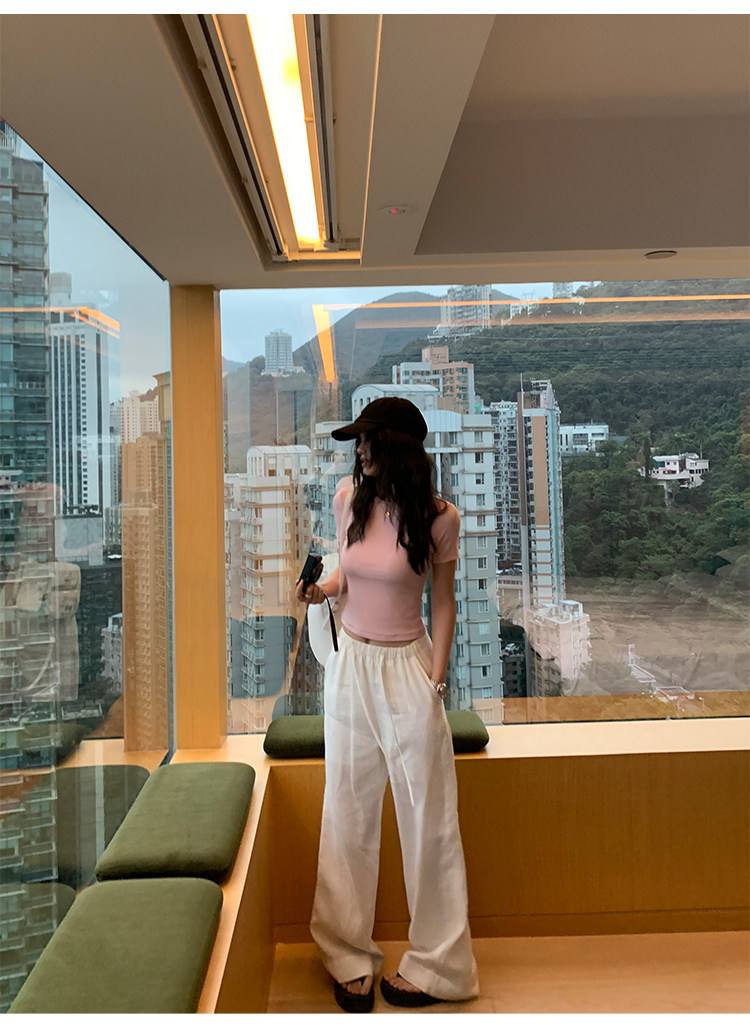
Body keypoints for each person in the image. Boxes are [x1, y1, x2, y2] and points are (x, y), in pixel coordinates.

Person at [296, 397, 479, 1013]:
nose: (360, 451)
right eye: (358, 442)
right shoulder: (350, 498)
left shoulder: (440, 518)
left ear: (397, 446)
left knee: (429, 818)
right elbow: (348, 578)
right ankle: (346, 955)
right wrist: (319, 589)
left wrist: (436, 678)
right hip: (351, 664)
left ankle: (440, 967)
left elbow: (443, 602)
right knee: (346, 809)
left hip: (407, 667)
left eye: (369, 440)